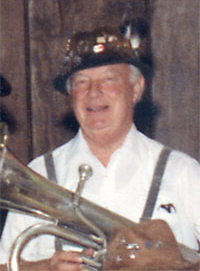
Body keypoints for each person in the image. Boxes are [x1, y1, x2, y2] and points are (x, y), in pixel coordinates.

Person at [0, 25, 200, 271]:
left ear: (136, 88)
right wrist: (44, 267)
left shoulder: (181, 171)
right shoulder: (39, 171)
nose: (94, 92)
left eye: (109, 79)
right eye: (81, 82)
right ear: (70, 95)